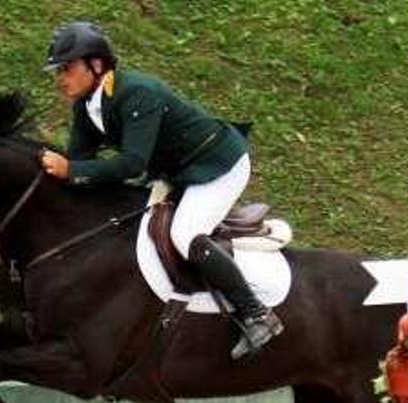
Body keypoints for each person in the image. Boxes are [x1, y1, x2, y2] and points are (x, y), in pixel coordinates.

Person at [40, 21, 283, 359]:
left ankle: (257, 313)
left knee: (185, 234)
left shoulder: (137, 93)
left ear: (96, 65)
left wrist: (72, 170)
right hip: (177, 170)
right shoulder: (86, 107)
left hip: (217, 164)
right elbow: (80, 163)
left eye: (66, 68)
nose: (59, 78)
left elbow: (132, 164)